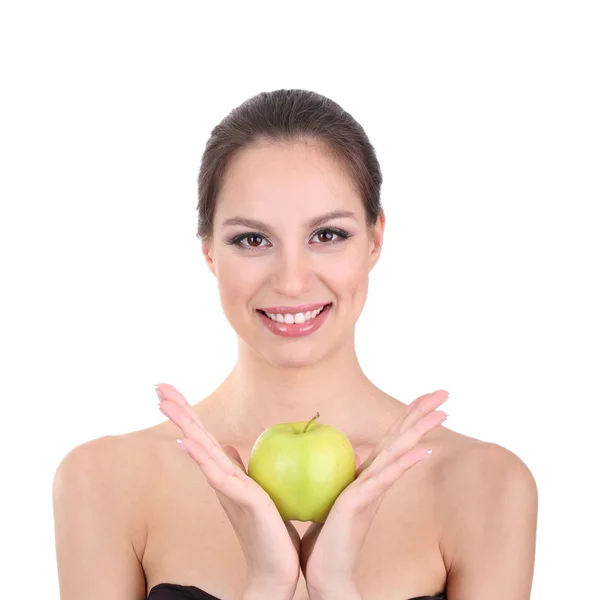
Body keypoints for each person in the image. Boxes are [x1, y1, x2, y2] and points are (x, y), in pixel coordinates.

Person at [53, 89, 538, 600]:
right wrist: (266, 582)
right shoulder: (104, 481)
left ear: (375, 240)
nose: (290, 281)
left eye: (327, 235)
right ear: (209, 252)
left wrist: (335, 585)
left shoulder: (486, 487)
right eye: (252, 240)